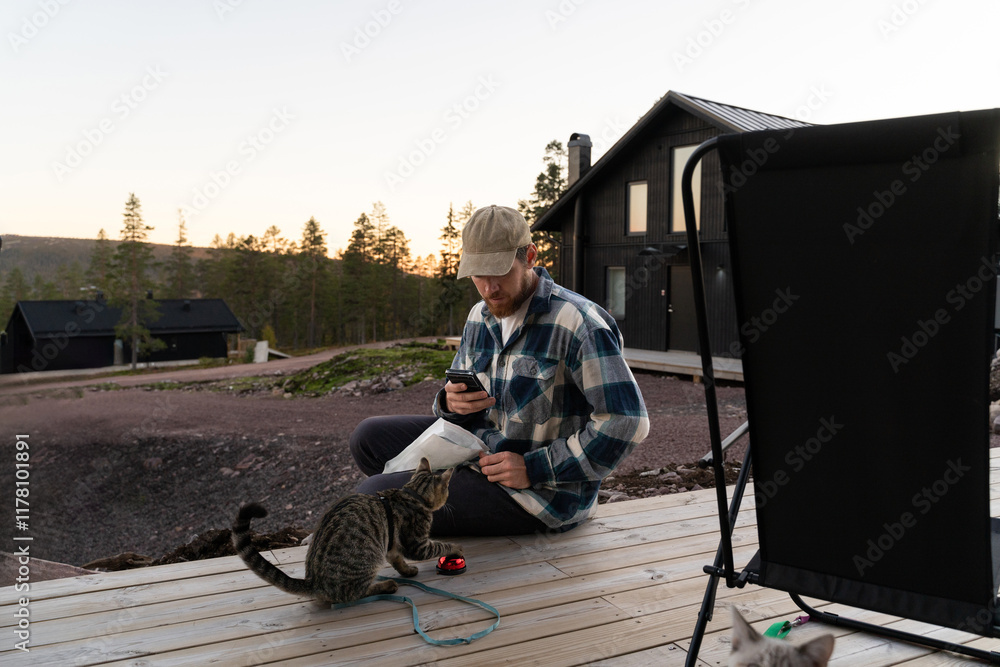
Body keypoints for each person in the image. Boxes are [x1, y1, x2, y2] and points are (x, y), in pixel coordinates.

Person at [349, 205, 648, 535]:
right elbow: (455, 401)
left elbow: (627, 422)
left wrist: (533, 468)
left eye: (499, 272)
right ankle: (437, 504)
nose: (489, 288)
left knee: (372, 498)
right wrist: (450, 403)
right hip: (478, 450)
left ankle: (428, 512)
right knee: (367, 438)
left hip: (539, 492)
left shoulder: (579, 324)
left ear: (530, 256)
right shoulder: (480, 316)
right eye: (479, 275)